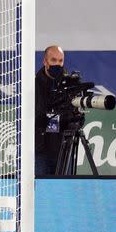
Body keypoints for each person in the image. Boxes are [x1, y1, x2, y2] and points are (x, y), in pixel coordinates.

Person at [34, 45, 66, 175]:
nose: (57, 64)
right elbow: (33, 118)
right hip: (40, 150)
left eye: (60, 61)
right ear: (45, 61)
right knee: (40, 191)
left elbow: (77, 117)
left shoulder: (70, 84)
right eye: (53, 60)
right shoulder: (33, 85)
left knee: (64, 191)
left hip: (64, 148)